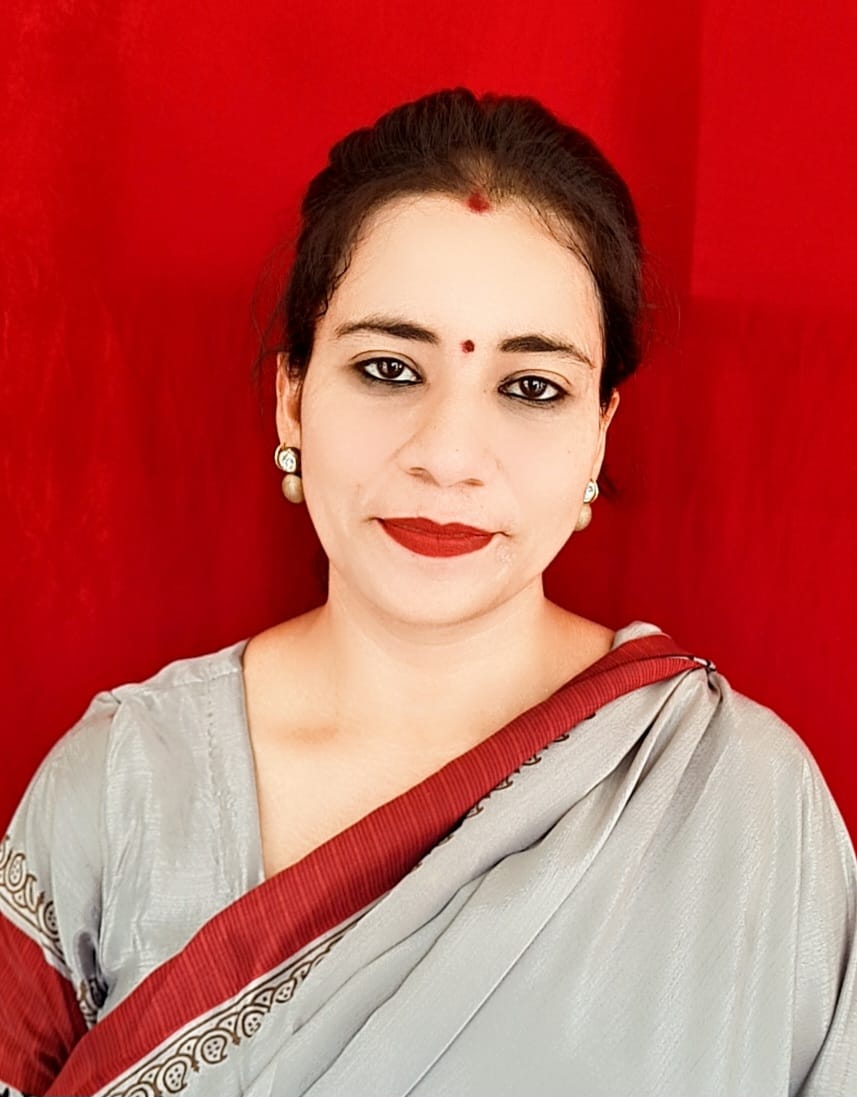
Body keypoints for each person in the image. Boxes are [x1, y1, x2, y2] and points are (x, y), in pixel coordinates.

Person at [0, 88, 854, 1097]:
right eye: (387, 368)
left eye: (530, 386)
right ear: (291, 397)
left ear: (597, 432)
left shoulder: (740, 803)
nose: (447, 456)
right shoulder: (125, 786)